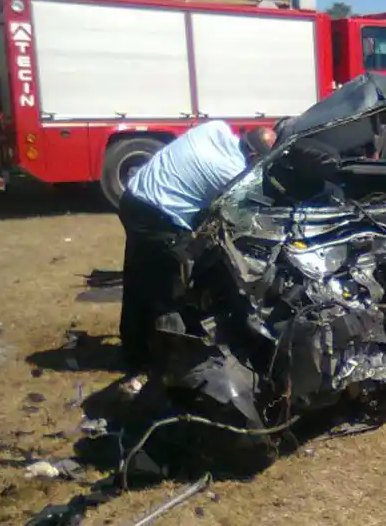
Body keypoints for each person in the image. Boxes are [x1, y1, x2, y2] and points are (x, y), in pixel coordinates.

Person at [118, 121, 277, 393]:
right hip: (158, 219)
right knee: (168, 294)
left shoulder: (214, 129)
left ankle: (132, 347)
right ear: (253, 156)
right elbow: (242, 217)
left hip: (133, 199)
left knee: (137, 281)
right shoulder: (232, 171)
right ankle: (159, 362)